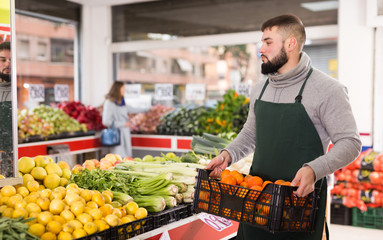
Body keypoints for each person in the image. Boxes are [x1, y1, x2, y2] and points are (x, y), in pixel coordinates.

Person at [206, 14, 361, 240]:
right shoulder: (260, 88)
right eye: (262, 42)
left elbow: (350, 142)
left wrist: (314, 169)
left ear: (290, 44)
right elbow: (251, 134)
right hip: (255, 202)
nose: (261, 49)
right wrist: (228, 155)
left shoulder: (328, 90)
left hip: (300, 205)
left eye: (268, 42)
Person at [102, 81, 148, 158]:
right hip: (116, 135)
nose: (124, 90)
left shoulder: (121, 101)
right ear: (117, 89)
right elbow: (106, 121)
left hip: (124, 133)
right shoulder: (109, 103)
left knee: (127, 157)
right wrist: (123, 123)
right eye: (123, 88)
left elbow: (132, 108)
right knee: (118, 158)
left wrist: (148, 108)